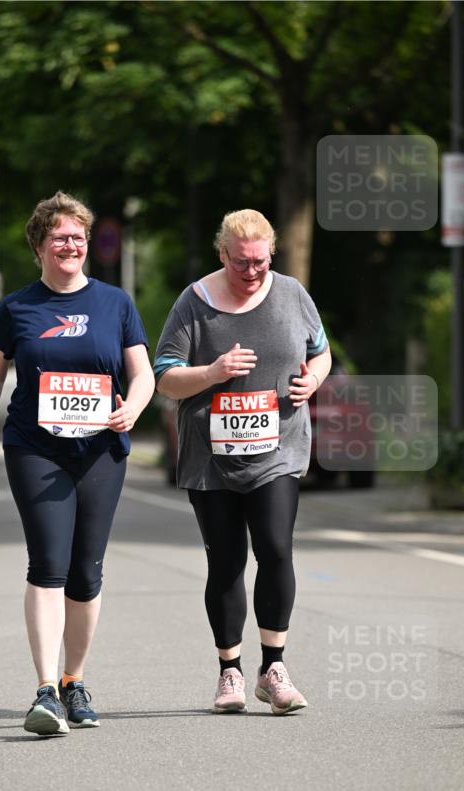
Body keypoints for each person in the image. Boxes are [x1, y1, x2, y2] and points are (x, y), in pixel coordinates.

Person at [0, 191, 155, 737]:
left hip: (100, 450)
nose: (71, 245)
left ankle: (75, 681)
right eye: (60, 237)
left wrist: (134, 408)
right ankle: (46, 690)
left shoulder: (115, 304)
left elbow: (143, 373)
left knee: (86, 572)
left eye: (78, 236)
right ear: (39, 246)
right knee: (48, 564)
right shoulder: (18, 307)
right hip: (37, 447)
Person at [154, 209, 331, 715]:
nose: (252, 272)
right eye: (241, 263)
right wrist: (212, 371)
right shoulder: (196, 302)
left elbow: (321, 352)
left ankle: (273, 666)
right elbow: (164, 376)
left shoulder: (293, 294)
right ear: (222, 254)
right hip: (212, 457)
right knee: (227, 561)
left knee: (275, 549)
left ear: (270, 253)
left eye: (260, 261)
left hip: (279, 449)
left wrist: (314, 380)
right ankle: (229, 670)